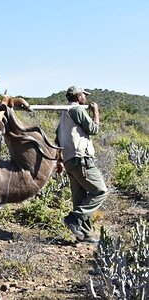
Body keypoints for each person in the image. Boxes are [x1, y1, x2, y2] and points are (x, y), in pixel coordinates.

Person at [56, 86, 108, 243]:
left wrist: (60, 160)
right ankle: (74, 218)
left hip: (70, 161)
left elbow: (57, 139)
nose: (85, 97)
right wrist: (95, 112)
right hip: (81, 160)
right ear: (78, 96)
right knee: (100, 191)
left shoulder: (64, 115)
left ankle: (84, 234)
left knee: (79, 198)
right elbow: (93, 129)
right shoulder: (77, 110)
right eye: (84, 95)